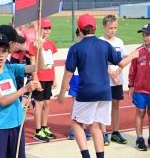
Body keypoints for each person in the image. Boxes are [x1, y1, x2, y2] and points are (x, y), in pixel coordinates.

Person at [55, 13, 141, 158]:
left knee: (76, 123)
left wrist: (62, 93)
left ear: (80, 29)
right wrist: (132, 56)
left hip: (86, 92)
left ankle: (86, 156)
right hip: (105, 92)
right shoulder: (105, 44)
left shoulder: (76, 48)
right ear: (95, 28)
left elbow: (68, 73)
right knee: (95, 125)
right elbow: (120, 63)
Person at [0, 33, 44, 158]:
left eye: (4, 51)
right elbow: (2, 101)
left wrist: (39, 50)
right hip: (0, 126)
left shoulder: (11, 68)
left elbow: (39, 67)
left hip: (17, 123)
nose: (0, 54)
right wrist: (25, 89)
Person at [99, 15, 127, 146]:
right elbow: (101, 62)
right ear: (104, 27)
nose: (113, 30)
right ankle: (103, 133)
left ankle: (115, 132)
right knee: (104, 106)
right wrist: (112, 74)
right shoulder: (100, 42)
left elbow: (123, 59)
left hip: (117, 81)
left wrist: (118, 73)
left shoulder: (119, 42)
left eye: (115, 27)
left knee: (116, 105)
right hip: (105, 80)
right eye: (110, 28)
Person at [29, 18, 57, 142]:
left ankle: (44, 127)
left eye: (49, 28)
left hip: (49, 78)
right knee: (39, 104)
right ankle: (38, 130)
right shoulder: (34, 44)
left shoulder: (51, 44)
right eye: (45, 28)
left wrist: (54, 78)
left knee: (47, 103)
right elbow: (33, 63)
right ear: (39, 29)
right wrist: (36, 79)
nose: (47, 31)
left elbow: (52, 62)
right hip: (40, 78)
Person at [128, 23, 150, 151]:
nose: (145, 38)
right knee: (140, 112)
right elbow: (132, 70)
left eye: (147, 35)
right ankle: (139, 138)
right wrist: (131, 85)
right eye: (143, 35)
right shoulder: (138, 52)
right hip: (140, 89)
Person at [67, 28, 91, 141]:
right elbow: (67, 67)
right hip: (75, 80)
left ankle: (84, 128)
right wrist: (66, 83)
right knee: (76, 104)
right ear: (77, 36)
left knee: (86, 105)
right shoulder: (73, 48)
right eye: (80, 36)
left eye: (83, 35)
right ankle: (73, 129)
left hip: (85, 80)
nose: (82, 38)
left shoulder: (89, 48)